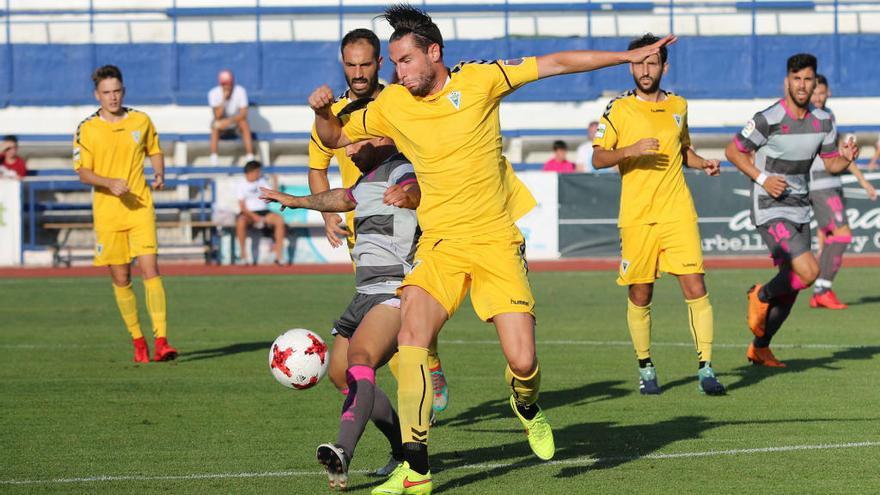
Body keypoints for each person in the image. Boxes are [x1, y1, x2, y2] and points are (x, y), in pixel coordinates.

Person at [309, 5, 675, 493]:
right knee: (414, 335)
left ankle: (525, 405)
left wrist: (625, 55)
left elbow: (558, 63)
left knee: (523, 361)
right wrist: (319, 112)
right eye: (393, 63)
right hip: (439, 244)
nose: (398, 72)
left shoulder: (481, 80)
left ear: (433, 52)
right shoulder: (393, 103)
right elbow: (333, 136)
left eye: (405, 61)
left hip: (495, 242)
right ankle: (415, 467)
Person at [262, 103, 421, 490]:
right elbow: (340, 198)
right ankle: (404, 448)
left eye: (354, 143)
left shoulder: (400, 169)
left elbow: (415, 188)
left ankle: (342, 452)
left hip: (394, 290)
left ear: (382, 137)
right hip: (363, 292)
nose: (347, 150)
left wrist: (408, 194)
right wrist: (298, 201)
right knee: (340, 375)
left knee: (361, 360)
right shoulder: (366, 180)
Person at [308, 28, 451, 425]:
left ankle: (421, 383)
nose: (358, 72)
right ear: (343, 65)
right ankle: (412, 402)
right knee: (377, 336)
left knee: (408, 309)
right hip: (365, 230)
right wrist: (328, 215)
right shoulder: (332, 116)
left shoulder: (399, 99)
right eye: (351, 65)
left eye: (366, 64)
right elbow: (316, 167)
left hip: (409, 220)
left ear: (379, 64)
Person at [591, 34, 725, 396]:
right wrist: (630, 150)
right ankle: (646, 366)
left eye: (652, 63)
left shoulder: (679, 105)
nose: (645, 70)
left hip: (677, 211)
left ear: (664, 66)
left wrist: (704, 163)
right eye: (639, 63)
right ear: (631, 65)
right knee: (640, 293)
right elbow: (598, 157)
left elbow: (683, 152)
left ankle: (706, 368)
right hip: (637, 216)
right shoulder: (617, 109)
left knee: (696, 286)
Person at [725, 53, 858, 367]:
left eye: (808, 79)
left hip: (801, 207)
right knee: (808, 271)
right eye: (796, 79)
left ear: (815, 83)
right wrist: (762, 178)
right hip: (770, 206)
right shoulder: (767, 119)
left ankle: (760, 346)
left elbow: (831, 164)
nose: (802, 85)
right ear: (787, 81)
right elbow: (733, 151)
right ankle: (759, 295)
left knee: (795, 284)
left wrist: (847, 158)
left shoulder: (823, 121)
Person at [73, 65, 178, 363]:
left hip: (140, 207)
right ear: (97, 95)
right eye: (106, 92)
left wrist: (159, 173)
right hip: (108, 214)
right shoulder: (87, 128)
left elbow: (154, 150)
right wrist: (109, 183)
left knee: (151, 269)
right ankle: (138, 341)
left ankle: (161, 341)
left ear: (124, 91)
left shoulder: (141, 120)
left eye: (117, 91)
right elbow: (83, 172)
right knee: (121, 278)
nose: (113, 97)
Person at [807, 74, 877, 309]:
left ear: (829, 93)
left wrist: (863, 182)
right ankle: (821, 289)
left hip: (832, 184)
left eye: (821, 92)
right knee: (842, 235)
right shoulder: (805, 117)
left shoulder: (829, 117)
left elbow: (840, 153)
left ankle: (820, 289)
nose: (817, 96)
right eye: (814, 92)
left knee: (831, 239)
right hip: (819, 184)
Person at [234, 160, 286, 265]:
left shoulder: (262, 181)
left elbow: (272, 194)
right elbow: (242, 207)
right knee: (240, 222)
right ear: (251, 172)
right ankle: (243, 255)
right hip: (248, 213)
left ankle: (279, 256)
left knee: (279, 220)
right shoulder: (240, 184)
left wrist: (275, 181)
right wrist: (254, 217)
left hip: (264, 212)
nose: (259, 174)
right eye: (257, 171)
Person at [208, 69, 254, 166]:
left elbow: (243, 113)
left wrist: (228, 121)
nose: (227, 86)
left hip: (235, 122)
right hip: (222, 123)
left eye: (228, 83)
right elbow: (217, 115)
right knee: (214, 125)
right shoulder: (213, 93)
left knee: (244, 123)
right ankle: (214, 156)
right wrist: (224, 99)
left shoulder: (240, 91)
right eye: (224, 84)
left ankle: (250, 156)